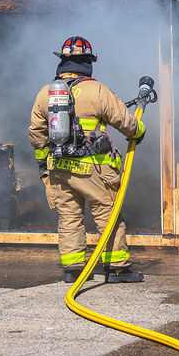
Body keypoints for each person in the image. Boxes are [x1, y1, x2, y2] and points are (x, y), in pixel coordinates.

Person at [29, 36, 146, 284]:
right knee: (107, 214)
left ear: (62, 62)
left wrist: (43, 166)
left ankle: (73, 269)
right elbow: (126, 123)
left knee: (69, 217)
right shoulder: (97, 90)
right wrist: (139, 132)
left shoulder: (46, 93)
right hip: (93, 169)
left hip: (58, 167)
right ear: (87, 62)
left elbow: (36, 134)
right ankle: (116, 268)